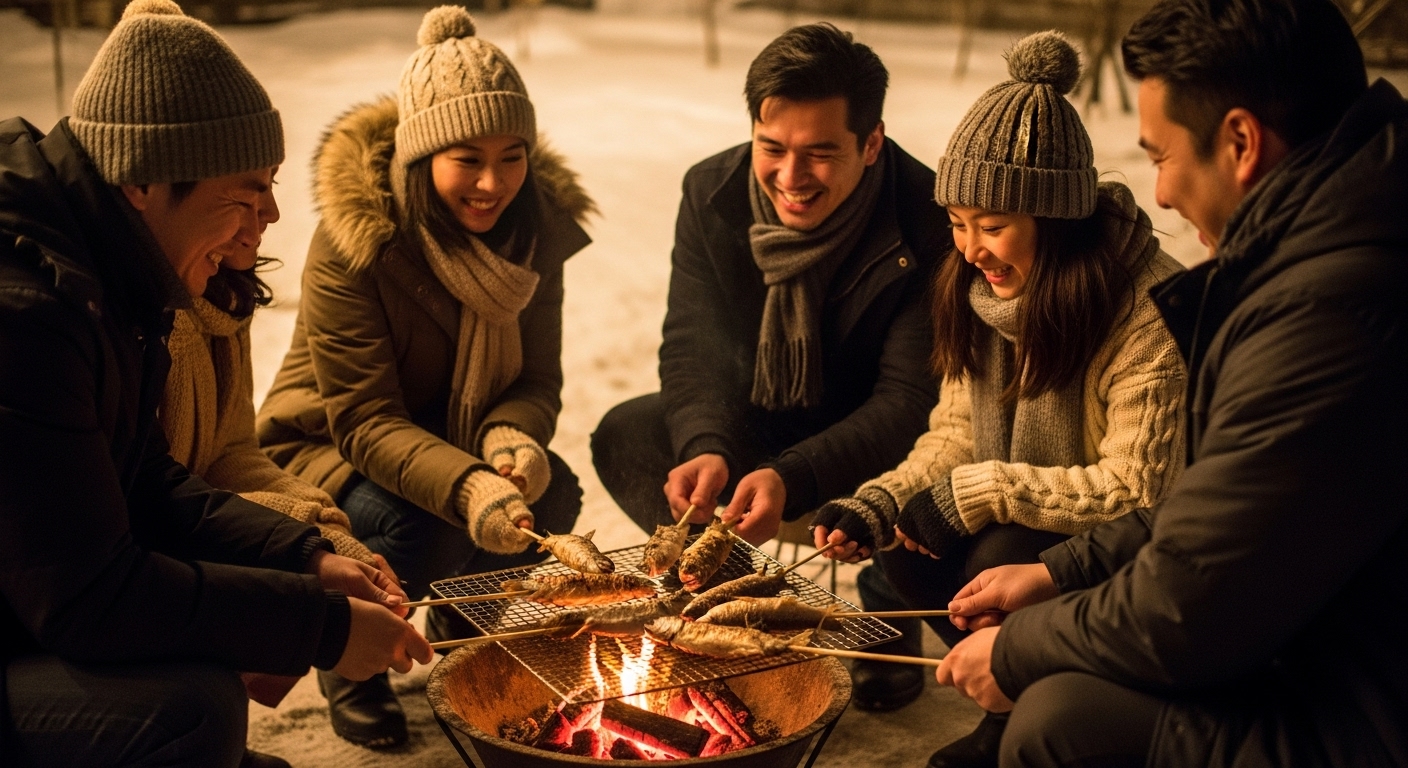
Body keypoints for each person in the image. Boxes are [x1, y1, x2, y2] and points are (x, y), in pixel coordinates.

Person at [935, 1, 1407, 766]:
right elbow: (1220, 511)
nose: (1157, 195)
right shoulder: (1328, 251)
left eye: (1159, 158)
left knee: (1059, 716)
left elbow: (1191, 604)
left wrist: (1021, 651)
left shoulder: (1334, 308)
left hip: (1361, 704)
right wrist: (1060, 571)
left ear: (1242, 143)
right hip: (1310, 637)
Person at [0, 2, 432, 766]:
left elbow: (141, 477)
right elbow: (88, 595)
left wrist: (304, 557)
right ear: (143, 183)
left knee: (203, 680)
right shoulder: (26, 310)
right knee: (189, 708)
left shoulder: (108, 275)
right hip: (37, 611)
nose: (268, 215)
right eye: (244, 189)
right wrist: (319, 625)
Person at [809, 32, 1187, 765]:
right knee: (914, 547)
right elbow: (954, 432)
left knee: (999, 543)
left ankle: (1026, 714)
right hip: (1029, 524)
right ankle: (1007, 700)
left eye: (993, 227)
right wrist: (881, 503)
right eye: (957, 224)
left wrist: (974, 495)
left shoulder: (1144, 310)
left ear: (1056, 218)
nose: (970, 249)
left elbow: (1141, 489)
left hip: (1127, 563)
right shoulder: (977, 292)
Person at [256, 5, 594, 749]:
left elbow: (538, 378)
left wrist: (513, 439)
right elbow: (365, 421)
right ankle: (351, 661)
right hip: (328, 448)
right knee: (424, 524)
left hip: (451, 438)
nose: (492, 181)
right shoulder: (360, 240)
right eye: (466, 158)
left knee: (556, 490)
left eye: (513, 155)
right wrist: (472, 485)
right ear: (420, 154)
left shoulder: (535, 231)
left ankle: (463, 618)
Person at [590, 22, 944, 708]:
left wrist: (794, 474)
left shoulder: (926, 218)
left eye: (819, 153)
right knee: (626, 434)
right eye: (771, 148)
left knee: (934, 469)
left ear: (871, 144)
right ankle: (745, 597)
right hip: (757, 421)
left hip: (871, 449)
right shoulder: (711, 193)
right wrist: (708, 447)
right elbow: (691, 347)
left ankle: (879, 607)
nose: (790, 178)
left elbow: (909, 401)